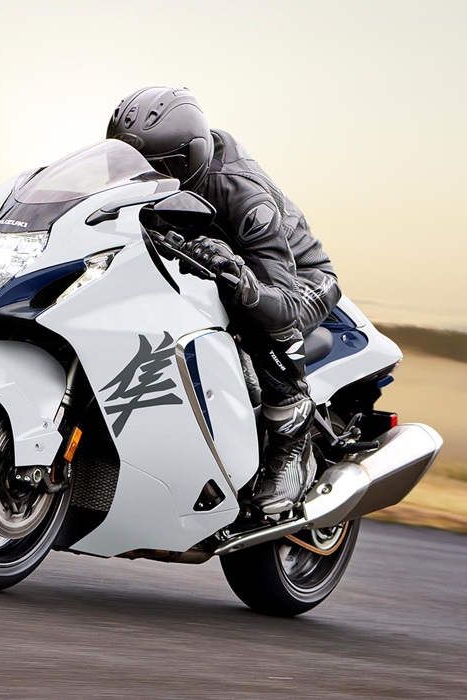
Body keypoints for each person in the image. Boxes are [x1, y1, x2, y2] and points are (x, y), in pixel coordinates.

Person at [106, 86, 341, 515]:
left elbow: (285, 302)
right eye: (134, 165)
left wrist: (243, 282)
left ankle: (292, 432)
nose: (148, 179)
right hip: (214, 263)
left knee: (249, 309)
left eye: (162, 168)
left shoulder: (243, 197)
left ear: (192, 158)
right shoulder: (137, 180)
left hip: (299, 279)